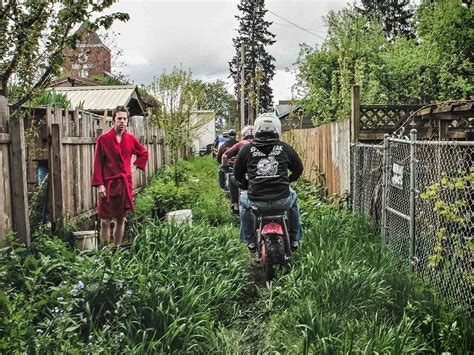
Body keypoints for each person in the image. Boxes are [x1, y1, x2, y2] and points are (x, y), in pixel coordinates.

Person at [233, 113, 304, 250]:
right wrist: (289, 180)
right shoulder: (285, 148)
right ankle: (295, 238)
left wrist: (246, 185)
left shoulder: (246, 149)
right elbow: (298, 169)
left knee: (242, 200)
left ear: (257, 129)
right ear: (277, 129)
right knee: (294, 199)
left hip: (256, 201)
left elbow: (237, 174)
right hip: (282, 199)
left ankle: (250, 241)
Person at [92, 106, 149, 247]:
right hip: (108, 185)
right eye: (119, 119)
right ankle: (105, 250)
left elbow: (144, 153)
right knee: (105, 220)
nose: (122, 121)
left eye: (125, 119)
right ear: (113, 120)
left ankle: (116, 249)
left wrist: (134, 166)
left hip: (124, 185)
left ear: (127, 121)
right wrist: (100, 185)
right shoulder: (103, 140)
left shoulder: (130, 139)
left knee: (121, 219)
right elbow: (97, 163)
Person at [221, 125, 255, 213]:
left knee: (231, 177)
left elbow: (224, 156)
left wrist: (225, 166)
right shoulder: (262, 143)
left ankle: (235, 205)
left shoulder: (240, 144)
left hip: (246, 177)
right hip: (262, 177)